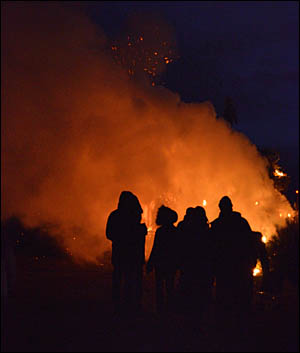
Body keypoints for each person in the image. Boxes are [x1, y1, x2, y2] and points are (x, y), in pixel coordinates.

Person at [211, 196, 254, 331]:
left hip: (225, 267)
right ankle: (239, 325)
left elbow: (211, 248)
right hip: (238, 266)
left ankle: (226, 325)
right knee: (239, 296)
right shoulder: (241, 223)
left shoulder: (217, 225)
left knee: (225, 295)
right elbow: (250, 244)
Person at [106, 191, 147, 315]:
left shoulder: (115, 215)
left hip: (121, 254)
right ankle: (131, 305)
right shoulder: (133, 216)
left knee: (121, 279)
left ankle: (120, 305)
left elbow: (109, 234)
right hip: (132, 255)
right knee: (131, 280)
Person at [146, 205, 179, 314]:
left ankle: (160, 309)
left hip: (160, 263)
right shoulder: (175, 231)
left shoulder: (160, 232)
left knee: (159, 287)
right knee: (170, 286)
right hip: (170, 263)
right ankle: (170, 309)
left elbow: (156, 248)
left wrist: (150, 263)